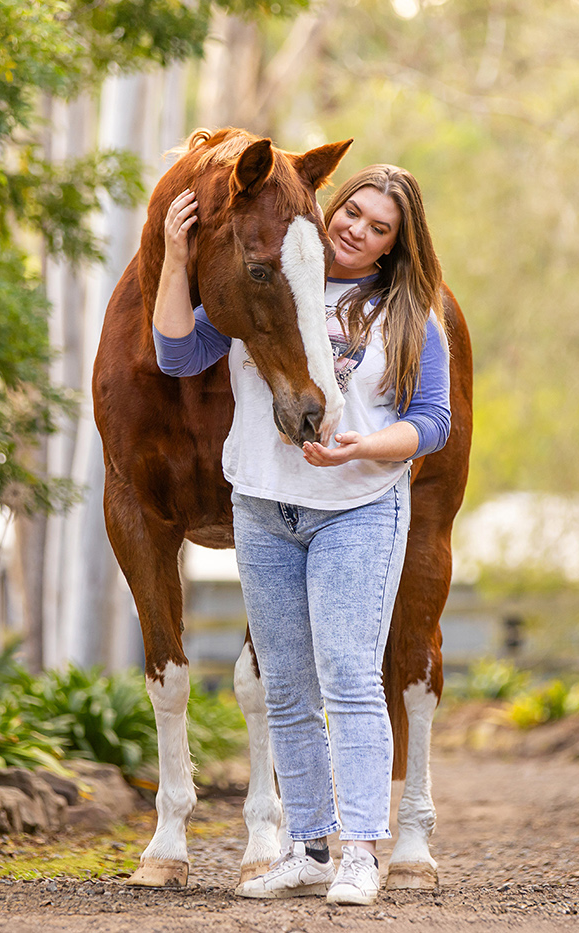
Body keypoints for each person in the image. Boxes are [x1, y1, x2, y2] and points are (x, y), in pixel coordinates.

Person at [152, 164, 451, 907]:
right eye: (352, 212)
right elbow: (176, 353)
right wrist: (173, 255)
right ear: (330, 207)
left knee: (349, 681)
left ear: (393, 246)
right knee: (286, 689)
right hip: (263, 506)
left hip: (357, 508)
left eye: (378, 227)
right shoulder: (272, 282)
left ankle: (359, 851)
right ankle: (309, 846)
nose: (356, 230)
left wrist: (367, 448)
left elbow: (434, 421)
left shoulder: (410, 315)